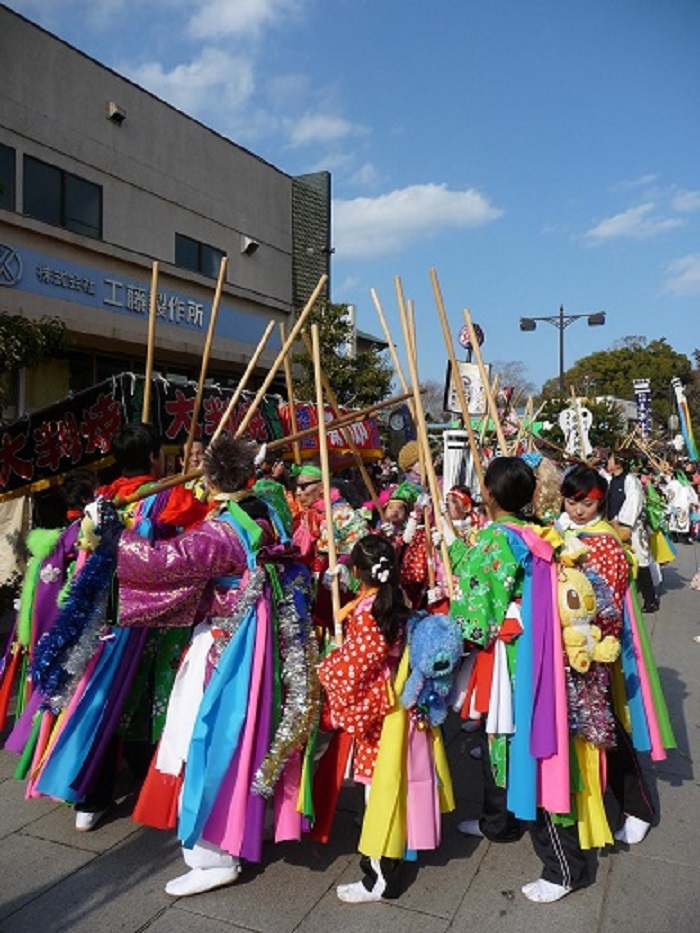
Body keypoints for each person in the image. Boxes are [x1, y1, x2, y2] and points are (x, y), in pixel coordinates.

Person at [116, 434, 317, 896]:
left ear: (210, 478)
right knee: (252, 734)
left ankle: (212, 853)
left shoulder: (223, 530)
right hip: (262, 638)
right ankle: (247, 825)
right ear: (252, 476)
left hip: (229, 645)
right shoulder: (267, 510)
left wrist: (115, 539)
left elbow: (165, 561)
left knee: (208, 739)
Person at [317, 534, 453, 903]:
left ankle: (379, 876)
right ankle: (394, 855)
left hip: (384, 711)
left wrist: (326, 667)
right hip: (401, 701)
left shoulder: (369, 613)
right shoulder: (398, 600)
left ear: (358, 572)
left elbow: (357, 665)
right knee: (397, 784)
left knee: (380, 792)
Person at [606, 450, 658, 613]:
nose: (608, 462)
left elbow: (634, 502)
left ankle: (650, 600)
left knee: (641, 561)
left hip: (632, 527)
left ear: (618, 463)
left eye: (611, 459)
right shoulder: (612, 480)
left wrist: (622, 522)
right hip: (614, 525)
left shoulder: (630, 480)